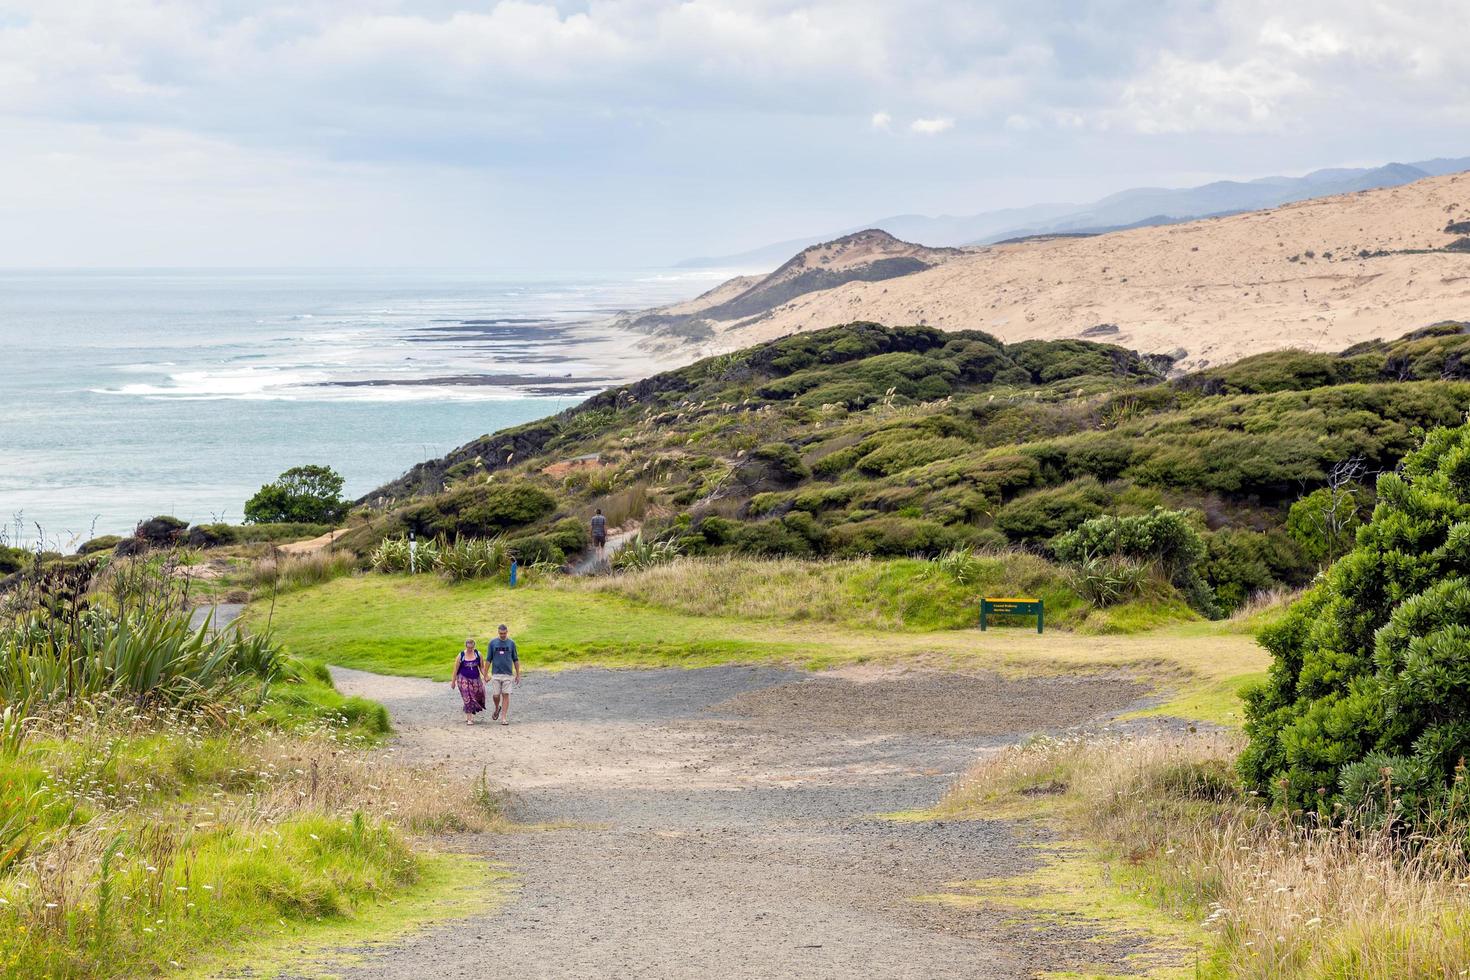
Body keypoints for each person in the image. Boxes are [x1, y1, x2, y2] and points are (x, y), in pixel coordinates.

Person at [487, 623, 521, 726]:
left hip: (508, 674)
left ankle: (503, 718)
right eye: (501, 633)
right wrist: (485, 674)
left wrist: (518, 674)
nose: (503, 635)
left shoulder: (511, 643)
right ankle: (497, 707)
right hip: (496, 673)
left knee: (506, 695)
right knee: (496, 695)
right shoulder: (492, 643)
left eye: (504, 633)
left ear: (507, 632)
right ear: (498, 632)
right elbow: (488, 659)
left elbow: (515, 659)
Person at [450, 637, 487, 725]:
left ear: (474, 646)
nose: (470, 649)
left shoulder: (478, 654)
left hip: (476, 679)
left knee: (478, 695)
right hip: (463, 678)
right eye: (468, 647)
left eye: (471, 648)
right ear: (466, 646)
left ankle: (468, 713)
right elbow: (455, 669)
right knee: (468, 697)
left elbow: (481, 667)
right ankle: (470, 719)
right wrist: (453, 681)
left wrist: (486, 675)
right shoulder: (461, 655)